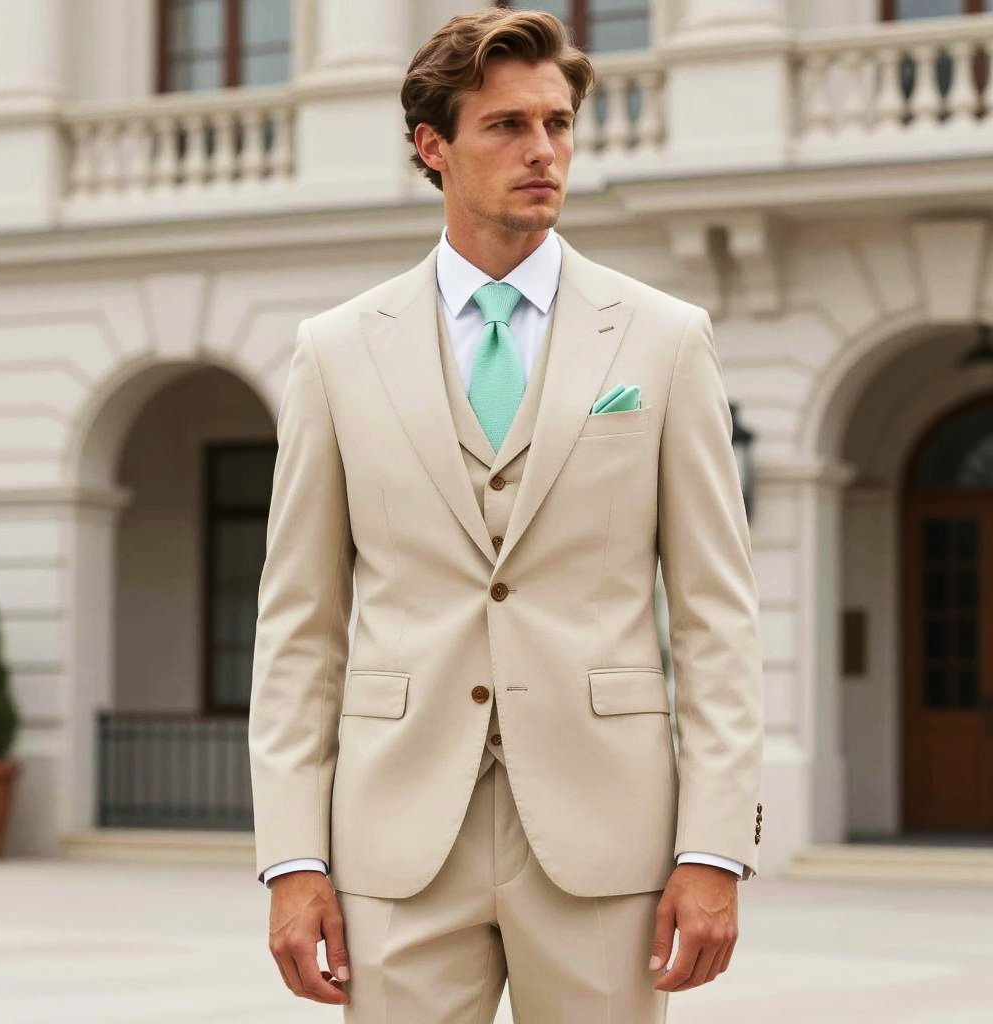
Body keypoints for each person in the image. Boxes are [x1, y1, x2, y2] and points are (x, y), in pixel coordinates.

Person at [248, 8, 764, 1021]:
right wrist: (291, 858)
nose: (542, 151)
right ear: (432, 146)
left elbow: (716, 616)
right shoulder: (337, 351)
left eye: (557, 124)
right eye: (506, 127)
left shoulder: (664, 341)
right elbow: (298, 628)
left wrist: (712, 848)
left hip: (604, 834)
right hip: (396, 838)